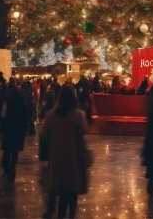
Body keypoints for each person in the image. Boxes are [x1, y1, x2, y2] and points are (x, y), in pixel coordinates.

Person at [41, 85, 89, 218]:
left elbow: (43, 132)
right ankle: (70, 215)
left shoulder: (52, 114)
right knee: (71, 190)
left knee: (57, 185)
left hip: (56, 155)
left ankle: (55, 211)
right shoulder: (78, 115)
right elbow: (84, 131)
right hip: (73, 157)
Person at [1, 80, 29, 181]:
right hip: (18, 132)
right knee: (15, 151)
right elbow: (26, 119)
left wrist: (2, 127)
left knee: (7, 150)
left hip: (8, 130)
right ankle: (12, 167)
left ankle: (6, 167)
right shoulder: (22, 106)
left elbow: (3, 116)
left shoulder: (7, 104)